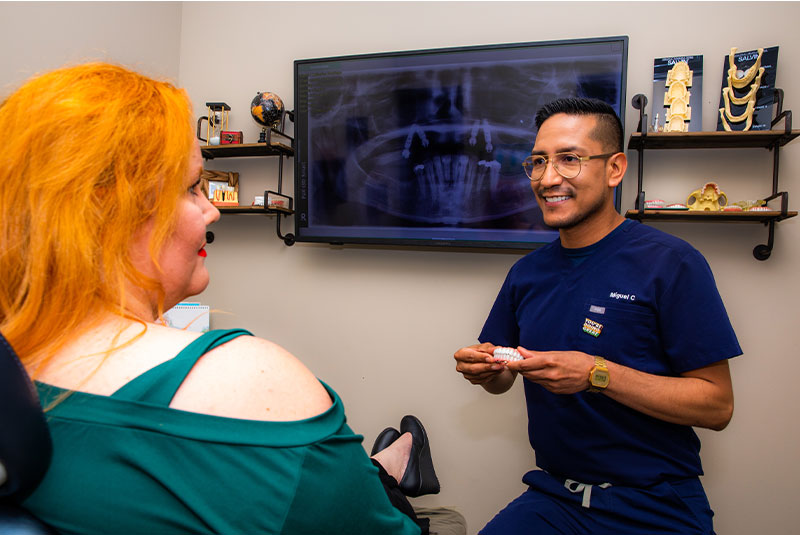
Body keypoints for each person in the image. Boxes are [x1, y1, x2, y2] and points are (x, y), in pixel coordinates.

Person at [0, 62, 439, 534]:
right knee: (381, 492)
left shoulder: (17, 367)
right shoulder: (253, 379)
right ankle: (391, 468)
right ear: (111, 211)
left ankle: (388, 463)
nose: (212, 210)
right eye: (191, 188)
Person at [454, 97, 740, 535]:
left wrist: (596, 373)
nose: (549, 178)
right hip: (555, 498)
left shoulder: (671, 263)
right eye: (538, 162)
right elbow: (501, 376)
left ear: (614, 169)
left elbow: (717, 405)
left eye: (570, 160)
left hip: (653, 505)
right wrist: (485, 368)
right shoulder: (528, 273)